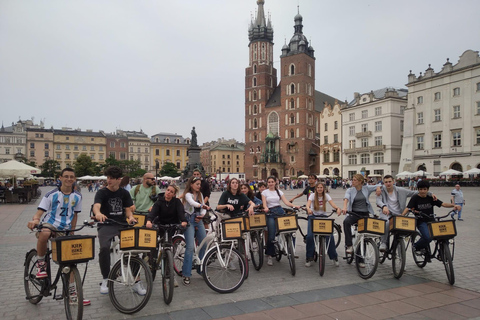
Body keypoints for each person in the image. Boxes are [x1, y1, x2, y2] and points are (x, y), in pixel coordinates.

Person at [27, 168, 91, 306]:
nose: (69, 179)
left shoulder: (78, 196)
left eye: (72, 177)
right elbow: (40, 212)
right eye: (66, 176)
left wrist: (72, 231)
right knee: (45, 232)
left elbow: (75, 214)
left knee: (71, 261)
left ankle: (73, 294)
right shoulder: (51, 194)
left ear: (74, 179)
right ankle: (41, 264)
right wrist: (35, 220)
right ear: (60, 178)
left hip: (65, 228)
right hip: (50, 224)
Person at [92, 166, 138, 295]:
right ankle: (106, 278)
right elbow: (96, 206)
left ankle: (137, 280)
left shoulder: (124, 193)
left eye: (112, 178)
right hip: (106, 224)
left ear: (119, 179)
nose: (109, 180)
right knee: (104, 248)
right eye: (107, 177)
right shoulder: (102, 192)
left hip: (121, 224)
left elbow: (128, 209)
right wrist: (98, 214)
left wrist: (131, 217)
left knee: (133, 248)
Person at [401, 180, 461, 258]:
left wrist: (454, 205)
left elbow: (442, 204)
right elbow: (408, 207)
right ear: (418, 189)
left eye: (425, 189)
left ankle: (442, 251)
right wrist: (402, 215)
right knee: (427, 237)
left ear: (428, 189)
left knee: (444, 235)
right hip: (421, 221)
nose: (423, 191)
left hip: (431, 221)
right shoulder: (415, 198)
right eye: (421, 189)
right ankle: (416, 246)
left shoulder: (431, 197)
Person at [376, 175, 431, 252]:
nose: (388, 184)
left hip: (399, 214)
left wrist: (430, 194)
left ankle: (399, 243)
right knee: (387, 223)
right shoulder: (381, 190)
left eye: (390, 181)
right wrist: (383, 206)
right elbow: (378, 200)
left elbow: (415, 193)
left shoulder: (401, 190)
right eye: (386, 182)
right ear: (383, 183)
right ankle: (383, 243)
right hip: (386, 214)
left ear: (393, 181)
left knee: (403, 228)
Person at [262, 176, 299, 266]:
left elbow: (286, 202)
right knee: (271, 234)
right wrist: (266, 208)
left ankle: (290, 250)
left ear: (275, 182)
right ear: (267, 183)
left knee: (289, 229)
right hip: (270, 212)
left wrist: (294, 206)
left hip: (279, 210)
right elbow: (264, 204)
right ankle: (270, 255)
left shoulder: (279, 192)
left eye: (272, 182)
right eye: (269, 182)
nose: (271, 183)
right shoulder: (264, 192)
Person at [181, 176, 210, 286]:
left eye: (199, 184)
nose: (199, 186)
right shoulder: (188, 194)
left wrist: (202, 215)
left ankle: (200, 269)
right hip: (189, 221)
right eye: (197, 184)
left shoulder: (201, 195)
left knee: (204, 243)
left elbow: (202, 209)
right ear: (191, 184)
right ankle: (186, 274)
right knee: (190, 247)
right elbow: (192, 203)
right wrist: (202, 205)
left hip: (199, 220)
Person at [305, 182, 341, 267]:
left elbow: (332, 204)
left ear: (323, 189)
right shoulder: (312, 195)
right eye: (318, 188)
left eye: (321, 188)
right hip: (313, 216)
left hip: (324, 217)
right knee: (310, 236)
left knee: (330, 236)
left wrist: (337, 208)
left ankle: (334, 257)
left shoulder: (326, 196)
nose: (320, 189)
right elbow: (308, 204)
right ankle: (309, 257)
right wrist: (308, 209)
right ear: (316, 189)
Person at [341, 174, 379, 256]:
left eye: (354, 180)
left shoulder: (366, 189)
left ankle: (361, 258)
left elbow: (379, 185)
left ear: (360, 182)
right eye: (352, 180)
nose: (352, 181)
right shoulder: (350, 190)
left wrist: (378, 188)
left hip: (365, 214)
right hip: (354, 213)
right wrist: (344, 207)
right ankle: (349, 245)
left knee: (364, 235)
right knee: (346, 222)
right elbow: (346, 198)